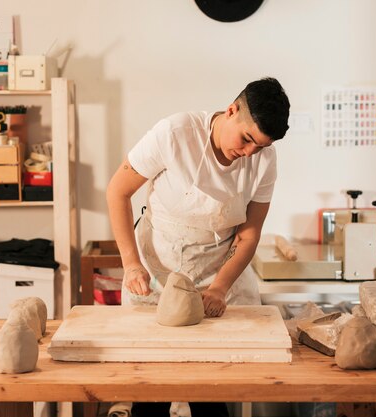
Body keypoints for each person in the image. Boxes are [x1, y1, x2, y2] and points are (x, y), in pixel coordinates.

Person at [106, 77, 290, 417]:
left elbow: (249, 236)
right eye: (247, 139)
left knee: (212, 386)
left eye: (260, 147)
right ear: (231, 110)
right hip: (158, 266)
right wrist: (131, 264)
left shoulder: (264, 160)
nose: (249, 152)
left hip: (218, 271)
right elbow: (118, 191)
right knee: (152, 387)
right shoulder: (175, 134)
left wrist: (220, 288)